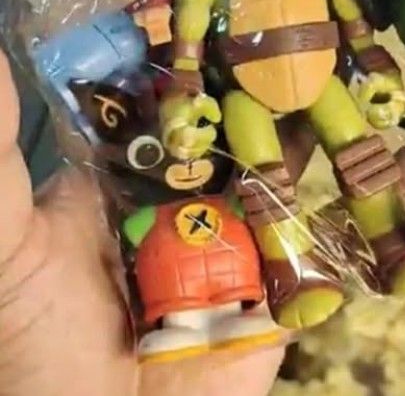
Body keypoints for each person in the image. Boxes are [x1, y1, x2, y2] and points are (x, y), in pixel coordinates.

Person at [0, 50, 285, 396]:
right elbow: (131, 232)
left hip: (232, 281)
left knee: (229, 298)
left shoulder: (224, 200)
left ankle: (232, 317)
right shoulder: (148, 212)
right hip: (176, 291)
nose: (183, 164)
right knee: (181, 310)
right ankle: (183, 329)